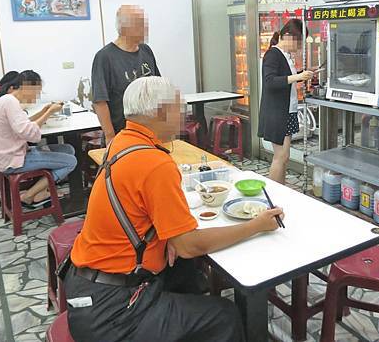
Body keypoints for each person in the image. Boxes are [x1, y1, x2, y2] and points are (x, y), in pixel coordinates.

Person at [65, 76, 284, 342]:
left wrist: (166, 236)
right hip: (111, 311)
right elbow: (188, 245)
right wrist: (256, 225)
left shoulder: (120, 143)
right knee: (224, 315)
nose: (184, 114)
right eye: (179, 107)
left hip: (84, 287)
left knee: (186, 273)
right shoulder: (154, 162)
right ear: (160, 112)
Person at [0, 70, 77, 207]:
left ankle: (42, 191)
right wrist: (50, 112)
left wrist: (43, 111)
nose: (37, 96)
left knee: (67, 149)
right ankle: (28, 196)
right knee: (71, 161)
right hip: (12, 159)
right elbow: (29, 134)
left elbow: (23, 124)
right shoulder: (10, 102)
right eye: (37, 92)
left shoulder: (7, 99)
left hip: (9, 154)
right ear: (27, 87)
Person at [91, 5, 161, 146]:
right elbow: (100, 101)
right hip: (122, 133)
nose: (146, 29)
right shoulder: (105, 57)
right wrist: (110, 136)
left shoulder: (146, 51)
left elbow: (158, 86)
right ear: (125, 28)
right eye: (140, 25)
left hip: (150, 131)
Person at [258, 19, 314, 184]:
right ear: (288, 36)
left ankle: (281, 192)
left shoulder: (285, 56)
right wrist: (298, 77)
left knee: (284, 156)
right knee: (280, 157)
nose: (300, 47)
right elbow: (270, 81)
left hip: (287, 112)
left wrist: (303, 73)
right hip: (276, 113)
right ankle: (274, 195)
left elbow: (284, 77)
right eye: (299, 42)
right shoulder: (272, 54)